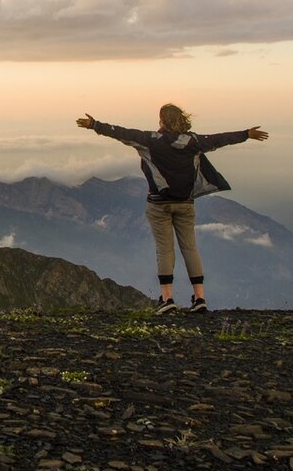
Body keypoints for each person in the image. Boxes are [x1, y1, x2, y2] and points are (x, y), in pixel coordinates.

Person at [76, 104, 268, 314]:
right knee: (190, 248)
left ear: (162, 120)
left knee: (165, 250)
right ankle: (200, 297)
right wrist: (246, 134)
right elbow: (219, 139)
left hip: (158, 205)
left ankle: (167, 299)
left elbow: (121, 133)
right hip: (185, 204)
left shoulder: (150, 140)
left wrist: (94, 124)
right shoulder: (193, 141)